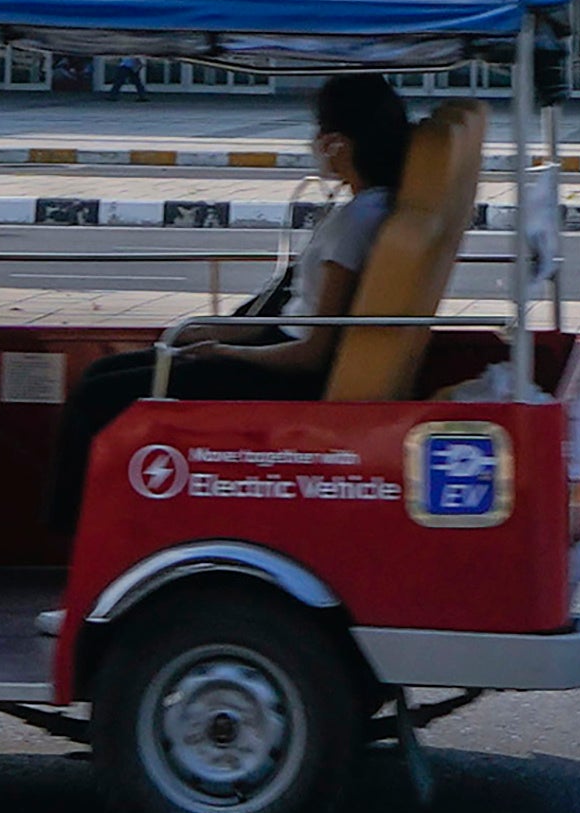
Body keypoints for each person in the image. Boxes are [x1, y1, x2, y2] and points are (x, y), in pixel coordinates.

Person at [54, 70, 419, 520]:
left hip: (282, 373)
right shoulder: (370, 211)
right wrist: (218, 334)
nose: (315, 142)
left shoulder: (353, 228)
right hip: (274, 345)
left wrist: (222, 350)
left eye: (320, 131)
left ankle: (71, 531)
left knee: (100, 393)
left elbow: (312, 352)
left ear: (339, 143)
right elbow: (294, 315)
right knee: (106, 372)